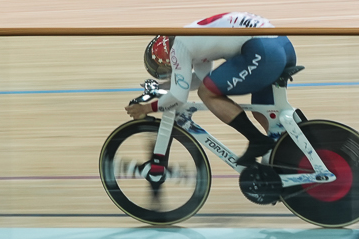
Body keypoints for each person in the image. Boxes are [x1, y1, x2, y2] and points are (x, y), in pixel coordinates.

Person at [124, 12, 298, 180]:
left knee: (207, 93)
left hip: (262, 51)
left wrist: (146, 108)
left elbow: (178, 98)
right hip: (281, 45)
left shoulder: (178, 50)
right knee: (264, 114)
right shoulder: (189, 38)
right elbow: (199, 79)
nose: (170, 72)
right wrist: (163, 87)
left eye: (165, 71)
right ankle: (291, 158)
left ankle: (256, 140)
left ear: (164, 60)